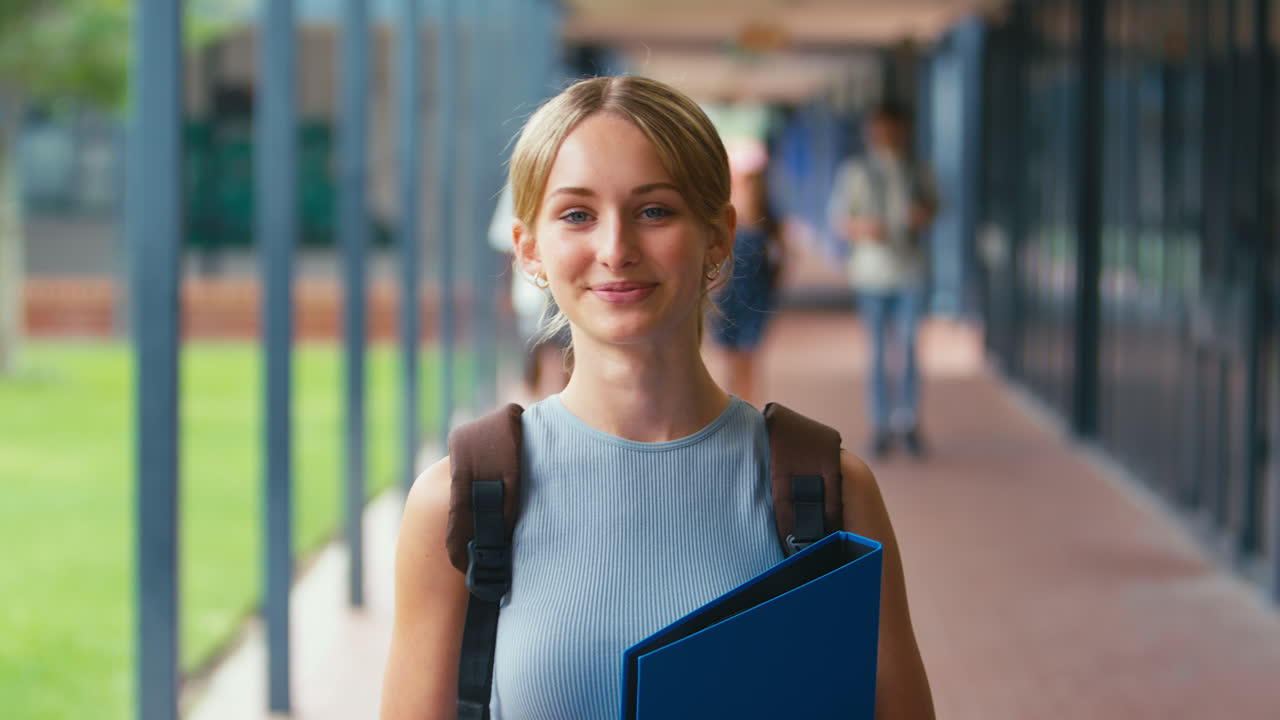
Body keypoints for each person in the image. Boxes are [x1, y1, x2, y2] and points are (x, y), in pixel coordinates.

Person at [381, 76, 934, 719]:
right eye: (577, 214)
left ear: (720, 237)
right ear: (529, 249)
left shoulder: (831, 489)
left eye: (654, 211)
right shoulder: (463, 499)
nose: (616, 250)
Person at [829, 103, 938, 460]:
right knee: (877, 351)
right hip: (871, 272)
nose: (885, 136)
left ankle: (907, 421)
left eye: (891, 129)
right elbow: (840, 220)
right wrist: (864, 229)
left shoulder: (917, 170)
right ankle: (880, 423)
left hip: (910, 271)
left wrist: (921, 216)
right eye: (879, 129)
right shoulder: (856, 171)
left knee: (908, 348)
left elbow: (934, 207)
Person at [706, 137, 784, 407]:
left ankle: (748, 409)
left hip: (755, 294)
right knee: (729, 358)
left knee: (749, 356)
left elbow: (778, 256)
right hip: (728, 293)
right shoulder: (720, 211)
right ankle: (732, 408)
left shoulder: (767, 216)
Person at [487, 182, 570, 402]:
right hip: (534, 288)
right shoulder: (521, 176)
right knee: (545, 351)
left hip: (558, 281)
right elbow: (506, 241)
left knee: (559, 353)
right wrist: (505, 291)